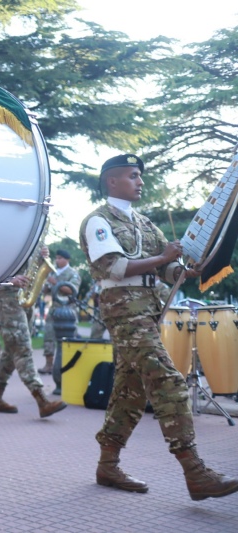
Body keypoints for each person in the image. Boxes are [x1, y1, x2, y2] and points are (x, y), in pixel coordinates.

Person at [80, 153, 238, 500]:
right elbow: (114, 266)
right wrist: (164, 259)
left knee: (129, 393)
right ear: (112, 181)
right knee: (169, 382)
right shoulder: (98, 221)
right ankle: (195, 473)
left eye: (140, 176)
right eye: (133, 176)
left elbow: (164, 269)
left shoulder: (145, 223)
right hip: (124, 314)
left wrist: (181, 269)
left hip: (149, 312)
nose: (140, 182)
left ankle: (108, 465)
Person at [0, 245, 68, 418]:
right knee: (22, 347)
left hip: (26, 296)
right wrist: (9, 280)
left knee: (11, 351)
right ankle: (42, 400)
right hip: (8, 297)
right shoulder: (0, 236)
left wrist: (40, 258)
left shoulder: (28, 233)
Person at [38, 249, 81, 375]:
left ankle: (68, 365)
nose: (57, 260)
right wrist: (45, 285)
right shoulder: (53, 273)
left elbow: (72, 290)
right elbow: (46, 291)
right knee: (49, 336)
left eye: (60, 258)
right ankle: (49, 364)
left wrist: (56, 283)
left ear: (67, 260)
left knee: (69, 339)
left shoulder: (73, 273)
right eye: (56, 258)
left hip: (68, 311)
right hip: (54, 309)